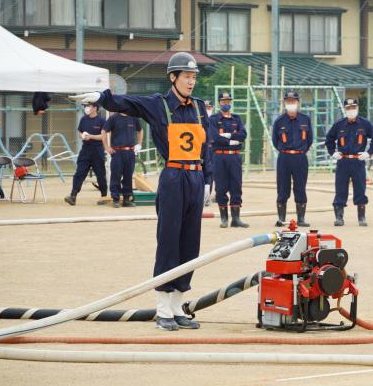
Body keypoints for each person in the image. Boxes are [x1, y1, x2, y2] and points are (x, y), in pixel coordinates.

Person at [70, 52, 211, 331]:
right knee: (169, 240)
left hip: (196, 178)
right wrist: (101, 98)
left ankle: (178, 306)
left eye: (194, 77)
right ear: (173, 77)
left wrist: (208, 181)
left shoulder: (198, 107)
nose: (191, 82)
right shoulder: (158, 104)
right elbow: (127, 102)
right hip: (173, 177)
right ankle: (163, 310)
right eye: (186, 76)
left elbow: (207, 146)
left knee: (190, 244)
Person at [325, 98, 373, 226]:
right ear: (345, 109)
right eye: (348, 108)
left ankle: (361, 217)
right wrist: (333, 152)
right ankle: (339, 217)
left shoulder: (365, 124)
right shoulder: (339, 125)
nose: (351, 110)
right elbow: (329, 139)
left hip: (358, 161)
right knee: (340, 189)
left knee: (360, 188)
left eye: (353, 107)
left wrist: (368, 152)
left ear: (357, 108)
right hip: (343, 161)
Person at [272, 90, 313, 227]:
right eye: (288, 101)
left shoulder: (305, 119)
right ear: (285, 103)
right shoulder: (279, 121)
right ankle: (282, 218)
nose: (291, 103)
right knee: (283, 187)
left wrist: (300, 151)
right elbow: (275, 140)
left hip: (300, 157)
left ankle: (301, 219)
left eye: (293, 101)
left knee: (300, 187)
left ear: (297, 103)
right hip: (284, 157)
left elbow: (309, 139)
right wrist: (286, 151)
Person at [209, 92, 249, 228]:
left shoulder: (236, 118)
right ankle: (224, 218)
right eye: (223, 101)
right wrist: (232, 140)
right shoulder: (213, 119)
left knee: (236, 186)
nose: (226, 103)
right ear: (219, 102)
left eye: (228, 101)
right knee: (221, 186)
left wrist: (228, 136)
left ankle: (236, 219)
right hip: (219, 156)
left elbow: (243, 135)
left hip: (234, 156)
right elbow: (214, 137)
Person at [64, 103, 108, 206]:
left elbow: (104, 136)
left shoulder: (101, 121)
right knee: (79, 172)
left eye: (89, 106)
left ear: (95, 108)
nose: (87, 108)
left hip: (97, 150)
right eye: (86, 106)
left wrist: (91, 136)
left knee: (100, 174)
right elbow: (80, 131)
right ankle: (73, 196)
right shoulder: (84, 119)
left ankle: (104, 197)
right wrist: (82, 135)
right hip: (85, 150)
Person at [101, 112, 144, 208]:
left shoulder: (134, 117)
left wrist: (139, 144)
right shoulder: (114, 118)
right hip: (117, 152)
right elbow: (104, 131)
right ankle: (115, 199)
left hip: (130, 152)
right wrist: (106, 147)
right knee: (116, 175)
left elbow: (140, 130)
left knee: (128, 176)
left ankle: (126, 199)